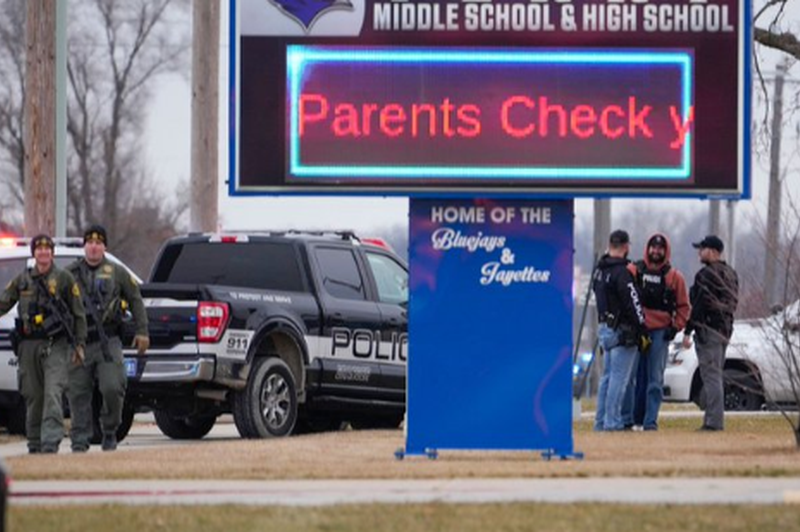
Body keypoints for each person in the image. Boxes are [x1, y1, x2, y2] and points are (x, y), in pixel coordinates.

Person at [0, 235, 87, 453]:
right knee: (33, 395)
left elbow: (78, 314)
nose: (43, 252)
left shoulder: (64, 279)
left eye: (47, 249)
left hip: (55, 344)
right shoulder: (22, 280)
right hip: (28, 345)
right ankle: (35, 443)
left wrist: (80, 344)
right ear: (34, 253)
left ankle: (50, 442)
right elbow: (4, 302)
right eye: (39, 249)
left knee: (53, 393)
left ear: (52, 253)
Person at [66, 225, 149, 452]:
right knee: (78, 393)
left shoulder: (117, 272)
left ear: (104, 247)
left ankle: (110, 431)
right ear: (85, 246)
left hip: (108, 341)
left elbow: (136, 300)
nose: (93, 247)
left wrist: (142, 331)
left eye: (98, 243)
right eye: (89, 243)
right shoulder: (70, 274)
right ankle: (80, 439)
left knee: (113, 387)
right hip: (79, 343)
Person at [622, 233, 691, 431]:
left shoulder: (674, 277)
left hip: (661, 333)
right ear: (647, 249)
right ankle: (628, 420)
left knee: (655, 380)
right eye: (653, 247)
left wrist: (675, 327)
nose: (656, 251)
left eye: (660, 248)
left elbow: (684, 307)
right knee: (629, 378)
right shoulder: (634, 270)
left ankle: (649, 422)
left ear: (666, 251)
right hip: (636, 331)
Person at [593, 229, 648, 431]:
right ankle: (612, 422)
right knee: (619, 379)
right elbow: (632, 302)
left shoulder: (600, 270)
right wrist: (642, 328)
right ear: (626, 247)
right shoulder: (623, 272)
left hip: (604, 328)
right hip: (622, 332)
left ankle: (600, 423)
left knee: (606, 379)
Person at [682, 235, 738, 431]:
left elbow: (699, 306)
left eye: (702, 248)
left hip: (708, 331)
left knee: (711, 377)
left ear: (713, 251)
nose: (699, 252)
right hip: (724, 331)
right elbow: (733, 304)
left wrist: (688, 331)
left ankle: (714, 423)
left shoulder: (705, 275)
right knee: (716, 376)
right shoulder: (731, 273)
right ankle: (712, 420)